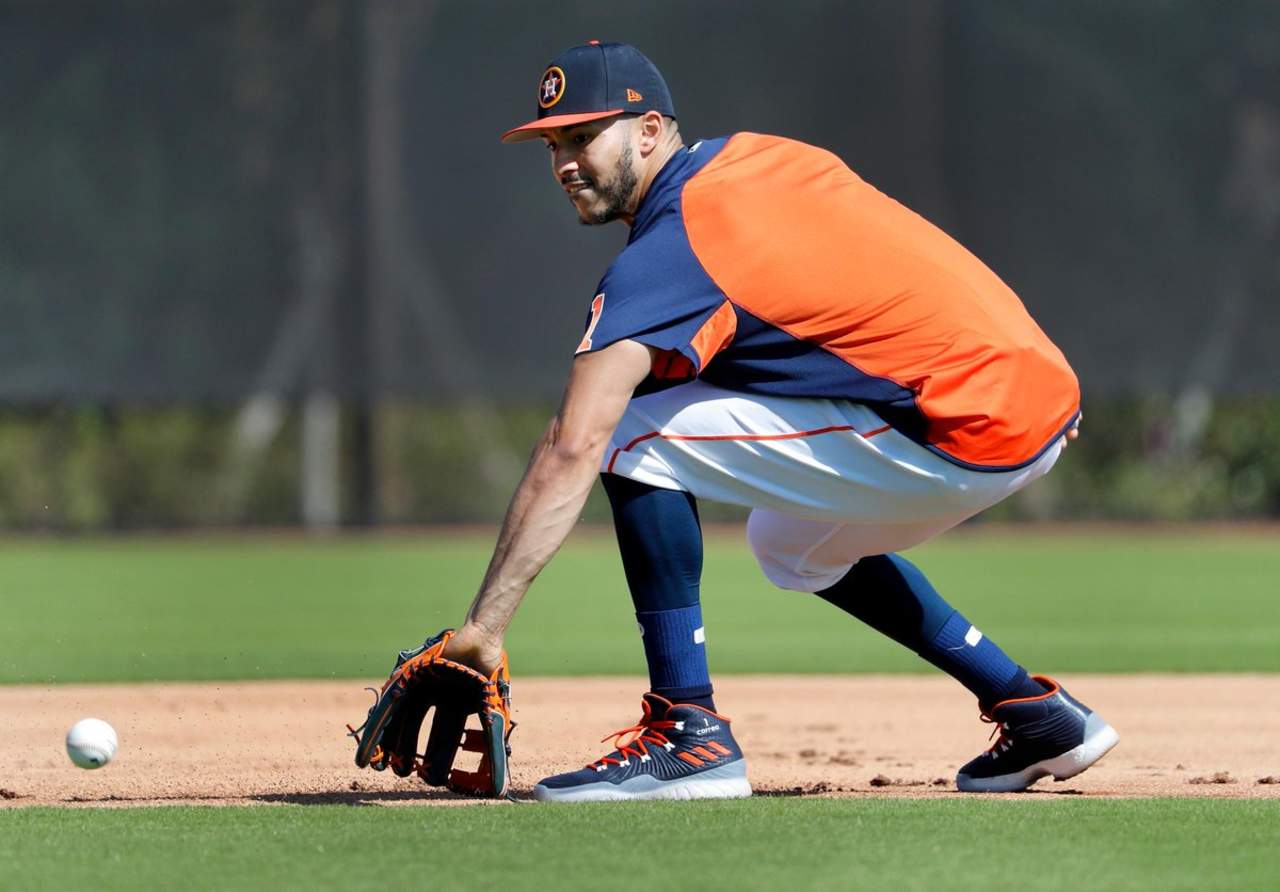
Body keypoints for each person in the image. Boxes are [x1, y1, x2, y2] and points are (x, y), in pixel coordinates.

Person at [440, 40, 1118, 802]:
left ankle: (688, 731)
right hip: (1027, 392)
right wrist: (1027, 367)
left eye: (583, 136)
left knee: (630, 434)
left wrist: (484, 629)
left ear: (650, 131)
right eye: (553, 145)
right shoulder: (759, 158)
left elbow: (574, 443)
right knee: (789, 546)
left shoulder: (669, 252)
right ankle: (1034, 712)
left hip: (967, 422)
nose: (565, 162)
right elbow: (900, 260)